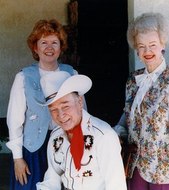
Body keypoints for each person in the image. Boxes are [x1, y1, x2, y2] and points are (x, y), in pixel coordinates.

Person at [114, 12, 169, 190]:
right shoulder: (133, 80)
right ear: (136, 49)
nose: (147, 51)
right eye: (141, 46)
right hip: (136, 167)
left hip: (164, 170)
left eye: (152, 45)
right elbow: (128, 116)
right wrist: (115, 132)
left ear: (163, 45)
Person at [6, 19, 78, 190]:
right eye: (43, 42)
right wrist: (18, 158)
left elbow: (82, 112)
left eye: (54, 42)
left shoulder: (71, 73)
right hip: (33, 151)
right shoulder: (24, 77)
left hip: (65, 144)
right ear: (35, 48)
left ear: (61, 47)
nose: (49, 47)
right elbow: (14, 121)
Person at [36, 71, 127, 190]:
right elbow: (51, 180)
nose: (61, 115)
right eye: (53, 109)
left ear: (79, 102)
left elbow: (116, 186)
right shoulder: (55, 137)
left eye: (65, 106)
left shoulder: (103, 136)